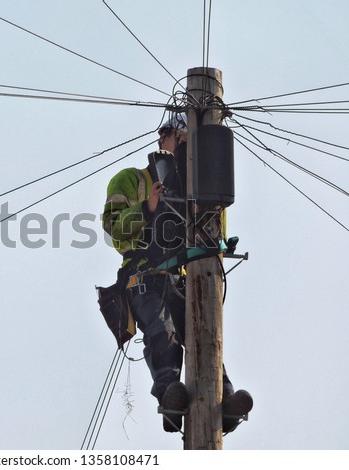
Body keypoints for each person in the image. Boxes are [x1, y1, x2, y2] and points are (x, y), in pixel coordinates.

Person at [101, 114, 253, 433]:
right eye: (175, 135)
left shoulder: (199, 187)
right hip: (143, 274)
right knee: (161, 332)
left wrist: (215, 256)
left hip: (186, 276)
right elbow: (113, 227)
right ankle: (169, 394)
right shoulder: (131, 179)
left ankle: (224, 399)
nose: (177, 142)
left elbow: (213, 233)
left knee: (204, 332)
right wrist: (148, 208)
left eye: (186, 138)